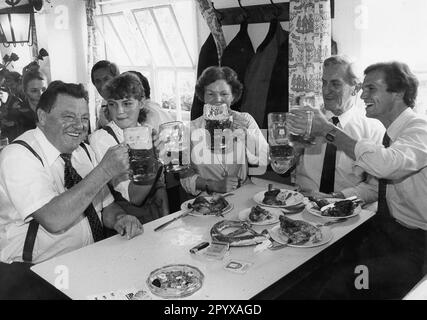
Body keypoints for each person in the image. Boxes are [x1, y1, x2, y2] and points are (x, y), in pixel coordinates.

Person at [288, 61, 427, 299]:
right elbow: (375, 186)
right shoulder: (391, 133)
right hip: (383, 232)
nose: (363, 95)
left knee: (341, 283)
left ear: (399, 92)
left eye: (371, 88)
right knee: (315, 278)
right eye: (363, 88)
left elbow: (387, 167)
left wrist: (328, 131)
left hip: (415, 243)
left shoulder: (420, 130)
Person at [0, 81, 143, 264]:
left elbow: (105, 206)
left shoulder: (83, 150)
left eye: (84, 118)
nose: (79, 126)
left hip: (85, 260)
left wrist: (120, 218)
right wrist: (105, 170)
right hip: (33, 271)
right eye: (69, 116)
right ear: (42, 116)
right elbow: (53, 219)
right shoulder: (18, 155)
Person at [291, 56, 385, 204]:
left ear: (356, 89)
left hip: (346, 210)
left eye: (335, 84)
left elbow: (374, 188)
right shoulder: (307, 118)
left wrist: (338, 198)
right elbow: (283, 166)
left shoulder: (373, 129)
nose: (326, 91)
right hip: (302, 204)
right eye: (323, 83)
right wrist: (294, 149)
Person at [89, 72, 169, 221]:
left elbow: (159, 188)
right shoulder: (101, 139)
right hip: (124, 222)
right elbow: (134, 198)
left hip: (155, 218)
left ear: (141, 103)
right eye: (113, 104)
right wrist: (152, 159)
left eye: (127, 103)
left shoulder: (148, 132)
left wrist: (166, 220)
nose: (119, 111)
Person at [180, 66, 268, 195]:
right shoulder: (190, 129)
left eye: (224, 94)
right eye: (210, 94)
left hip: (242, 193)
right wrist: (214, 185)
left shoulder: (246, 120)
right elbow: (184, 178)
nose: (218, 99)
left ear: (233, 96)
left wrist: (247, 135)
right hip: (207, 202)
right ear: (203, 96)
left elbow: (265, 159)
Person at [7, 70, 48, 139]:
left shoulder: (54, 110)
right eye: (34, 91)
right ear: (25, 91)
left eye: (43, 89)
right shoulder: (18, 115)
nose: (40, 94)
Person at [91, 60, 120, 129]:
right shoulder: (104, 105)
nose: (102, 85)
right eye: (98, 81)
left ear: (117, 79)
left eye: (106, 79)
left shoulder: (129, 104)